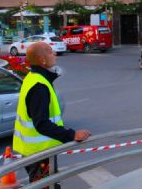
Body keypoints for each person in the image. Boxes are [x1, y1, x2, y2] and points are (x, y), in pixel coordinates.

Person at [13, 42, 91, 184]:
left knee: (47, 185)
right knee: (45, 186)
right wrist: (72, 135)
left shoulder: (33, 77)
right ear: (42, 60)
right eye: (50, 51)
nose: (54, 53)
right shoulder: (39, 86)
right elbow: (41, 124)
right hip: (39, 154)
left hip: (33, 151)